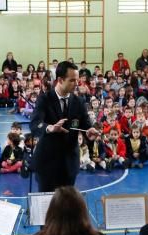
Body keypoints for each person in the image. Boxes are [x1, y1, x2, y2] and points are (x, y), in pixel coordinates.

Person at [30, 60, 100, 192]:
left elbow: (85, 122)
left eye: (77, 80)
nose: (77, 84)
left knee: (66, 204)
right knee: (48, 204)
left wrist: (89, 130)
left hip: (69, 164)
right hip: (47, 163)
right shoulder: (44, 99)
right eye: (72, 80)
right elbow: (34, 124)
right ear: (60, 80)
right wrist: (49, 128)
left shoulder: (79, 101)